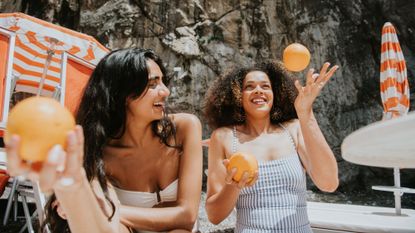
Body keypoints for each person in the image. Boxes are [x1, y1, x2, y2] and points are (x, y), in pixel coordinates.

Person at [6, 48, 203, 233]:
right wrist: (79, 200)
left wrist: (111, 211)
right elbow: (102, 227)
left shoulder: (185, 128)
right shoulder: (99, 152)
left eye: (162, 81)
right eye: (153, 84)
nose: (165, 91)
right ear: (123, 94)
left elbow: (187, 215)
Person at [203, 60, 339, 232]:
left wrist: (306, 113)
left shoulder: (294, 129)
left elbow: (329, 184)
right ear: (237, 96)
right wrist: (233, 186)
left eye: (265, 86)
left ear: (275, 94)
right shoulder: (224, 137)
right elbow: (214, 216)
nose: (258, 90)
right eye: (249, 87)